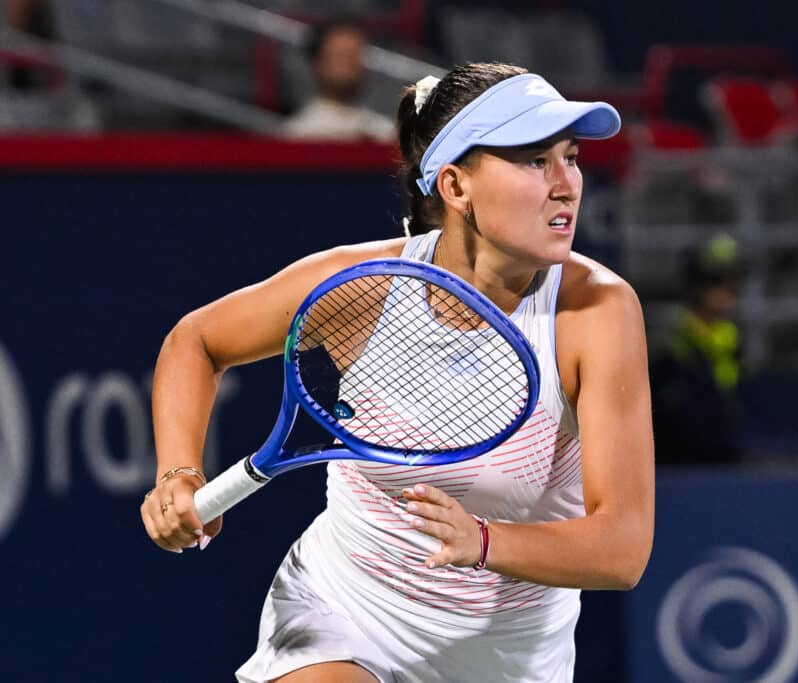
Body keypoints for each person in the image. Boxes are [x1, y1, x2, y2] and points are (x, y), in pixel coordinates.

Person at [140, 62, 654, 682]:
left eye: (569, 158)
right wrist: (178, 471)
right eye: (533, 161)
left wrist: (485, 543)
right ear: (456, 187)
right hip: (345, 610)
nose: (566, 184)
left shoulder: (595, 311)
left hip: (509, 656)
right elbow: (196, 340)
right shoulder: (361, 289)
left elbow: (622, 547)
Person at [651, 233, 744, 465]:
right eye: (717, 279)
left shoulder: (731, 336)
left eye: (733, 280)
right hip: (679, 465)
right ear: (696, 283)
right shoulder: (669, 340)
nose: (727, 288)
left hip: (724, 460)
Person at [282, 17, 396, 142]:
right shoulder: (297, 134)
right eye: (341, 55)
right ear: (317, 62)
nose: (349, 65)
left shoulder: (384, 133)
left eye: (354, 55)